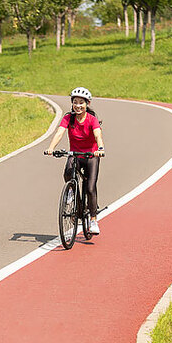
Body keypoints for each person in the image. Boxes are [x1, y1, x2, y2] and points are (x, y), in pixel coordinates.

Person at [44, 87, 105, 234]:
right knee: (68, 174)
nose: (78, 105)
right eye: (75, 102)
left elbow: (98, 135)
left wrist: (100, 148)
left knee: (90, 188)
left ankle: (93, 220)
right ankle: (72, 194)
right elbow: (59, 132)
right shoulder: (68, 118)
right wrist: (51, 148)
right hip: (75, 154)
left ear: (87, 104)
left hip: (91, 155)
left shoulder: (92, 120)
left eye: (81, 103)